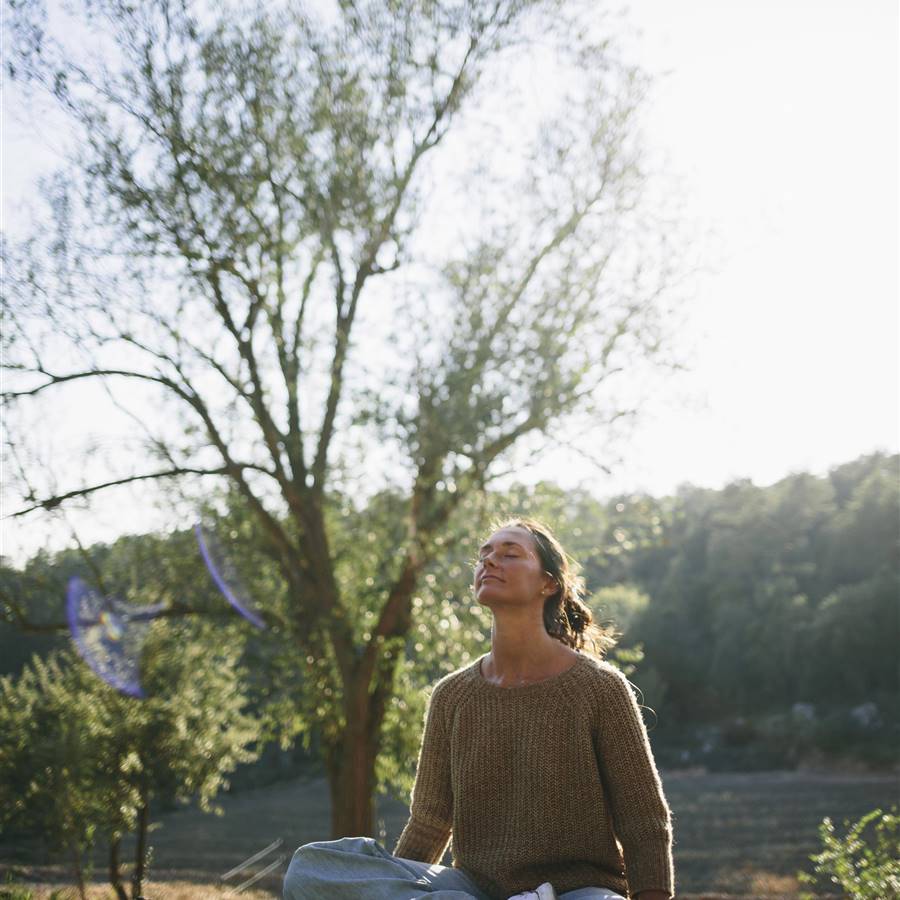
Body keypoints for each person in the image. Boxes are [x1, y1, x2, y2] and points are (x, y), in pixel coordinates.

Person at [283, 517, 674, 900]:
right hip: (473, 888)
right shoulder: (452, 695)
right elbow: (429, 823)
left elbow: (644, 823)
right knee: (310, 866)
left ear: (548, 583)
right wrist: (399, 889)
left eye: (509, 554)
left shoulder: (600, 688)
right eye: (484, 554)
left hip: (581, 891)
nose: (489, 561)